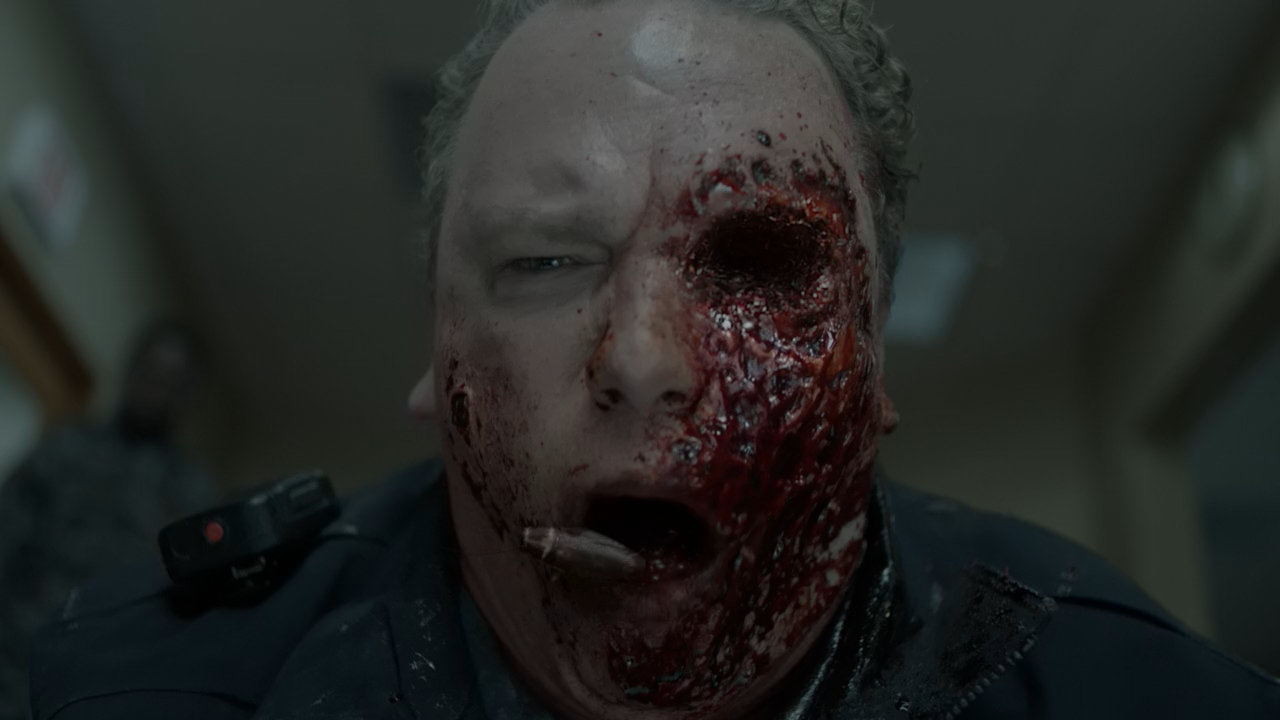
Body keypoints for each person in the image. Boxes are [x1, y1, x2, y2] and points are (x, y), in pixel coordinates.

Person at [28, 1, 1280, 718]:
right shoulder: (130, 688)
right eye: (541, 261)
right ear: (435, 351)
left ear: (870, 370)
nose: (638, 358)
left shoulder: (1135, 694)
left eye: (760, 264)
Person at [1, 320, 218, 720]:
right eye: (152, 371)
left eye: (175, 381)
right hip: (13, 660)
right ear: (132, 370)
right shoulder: (67, 446)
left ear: (189, 397)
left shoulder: (193, 495)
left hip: (97, 692)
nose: (158, 386)